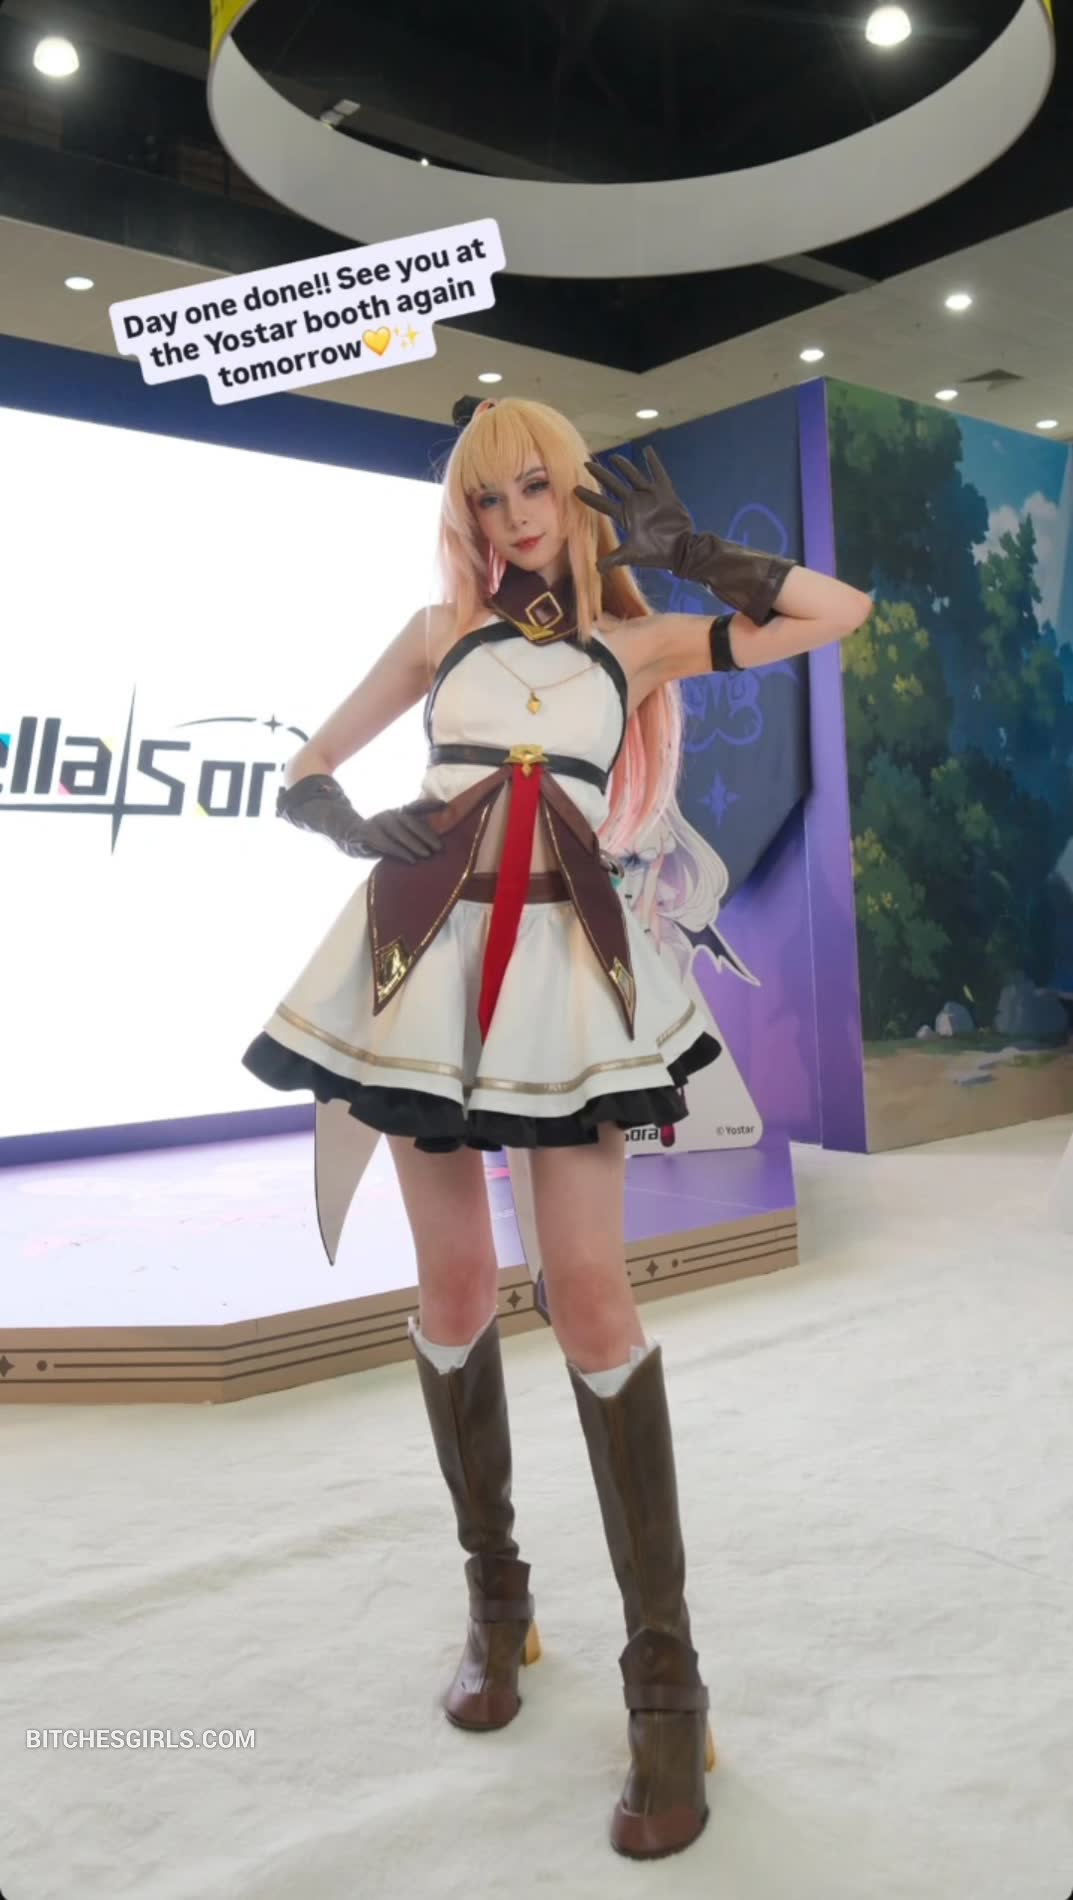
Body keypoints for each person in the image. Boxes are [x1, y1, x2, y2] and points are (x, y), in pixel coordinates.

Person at [242, 398, 871, 1860]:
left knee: (590, 1298)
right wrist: (347, 822)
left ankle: (668, 1684)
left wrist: (698, 555)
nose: (514, 516)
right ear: (464, 518)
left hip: (566, 976)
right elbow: (303, 769)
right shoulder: (435, 635)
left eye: (535, 487)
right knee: (456, 1288)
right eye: (488, 497)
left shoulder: (631, 646)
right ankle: (496, 1600)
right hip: (421, 962)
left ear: (574, 496)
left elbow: (834, 612)